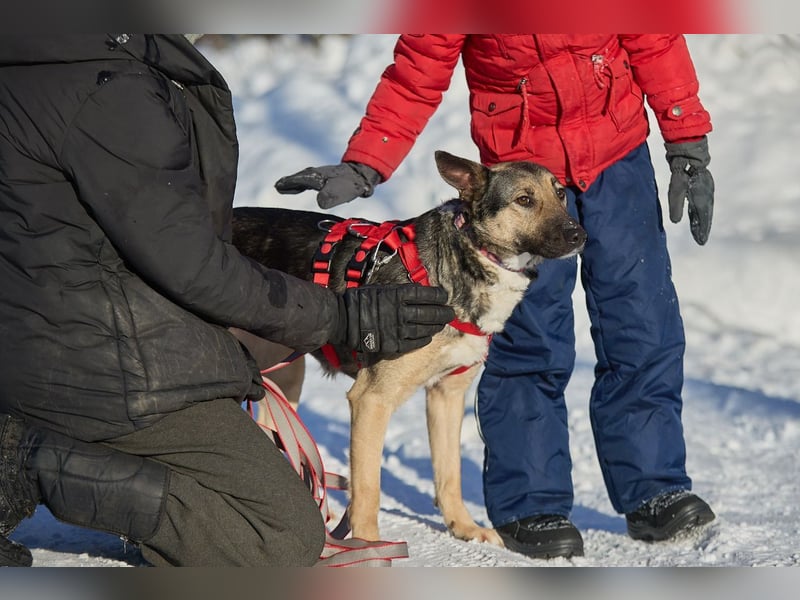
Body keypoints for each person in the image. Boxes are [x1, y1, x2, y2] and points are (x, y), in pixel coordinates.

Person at [0, 34, 454, 567]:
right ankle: (33, 460)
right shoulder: (108, 89)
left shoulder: (40, 59)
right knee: (280, 536)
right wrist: (341, 315)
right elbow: (193, 266)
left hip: (43, 337)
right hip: (101, 364)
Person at [276, 34, 716, 559]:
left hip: (615, 150)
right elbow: (419, 68)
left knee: (642, 322)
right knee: (528, 340)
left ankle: (655, 488)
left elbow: (655, 37)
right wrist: (367, 161)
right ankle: (530, 501)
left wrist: (686, 135)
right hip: (518, 162)